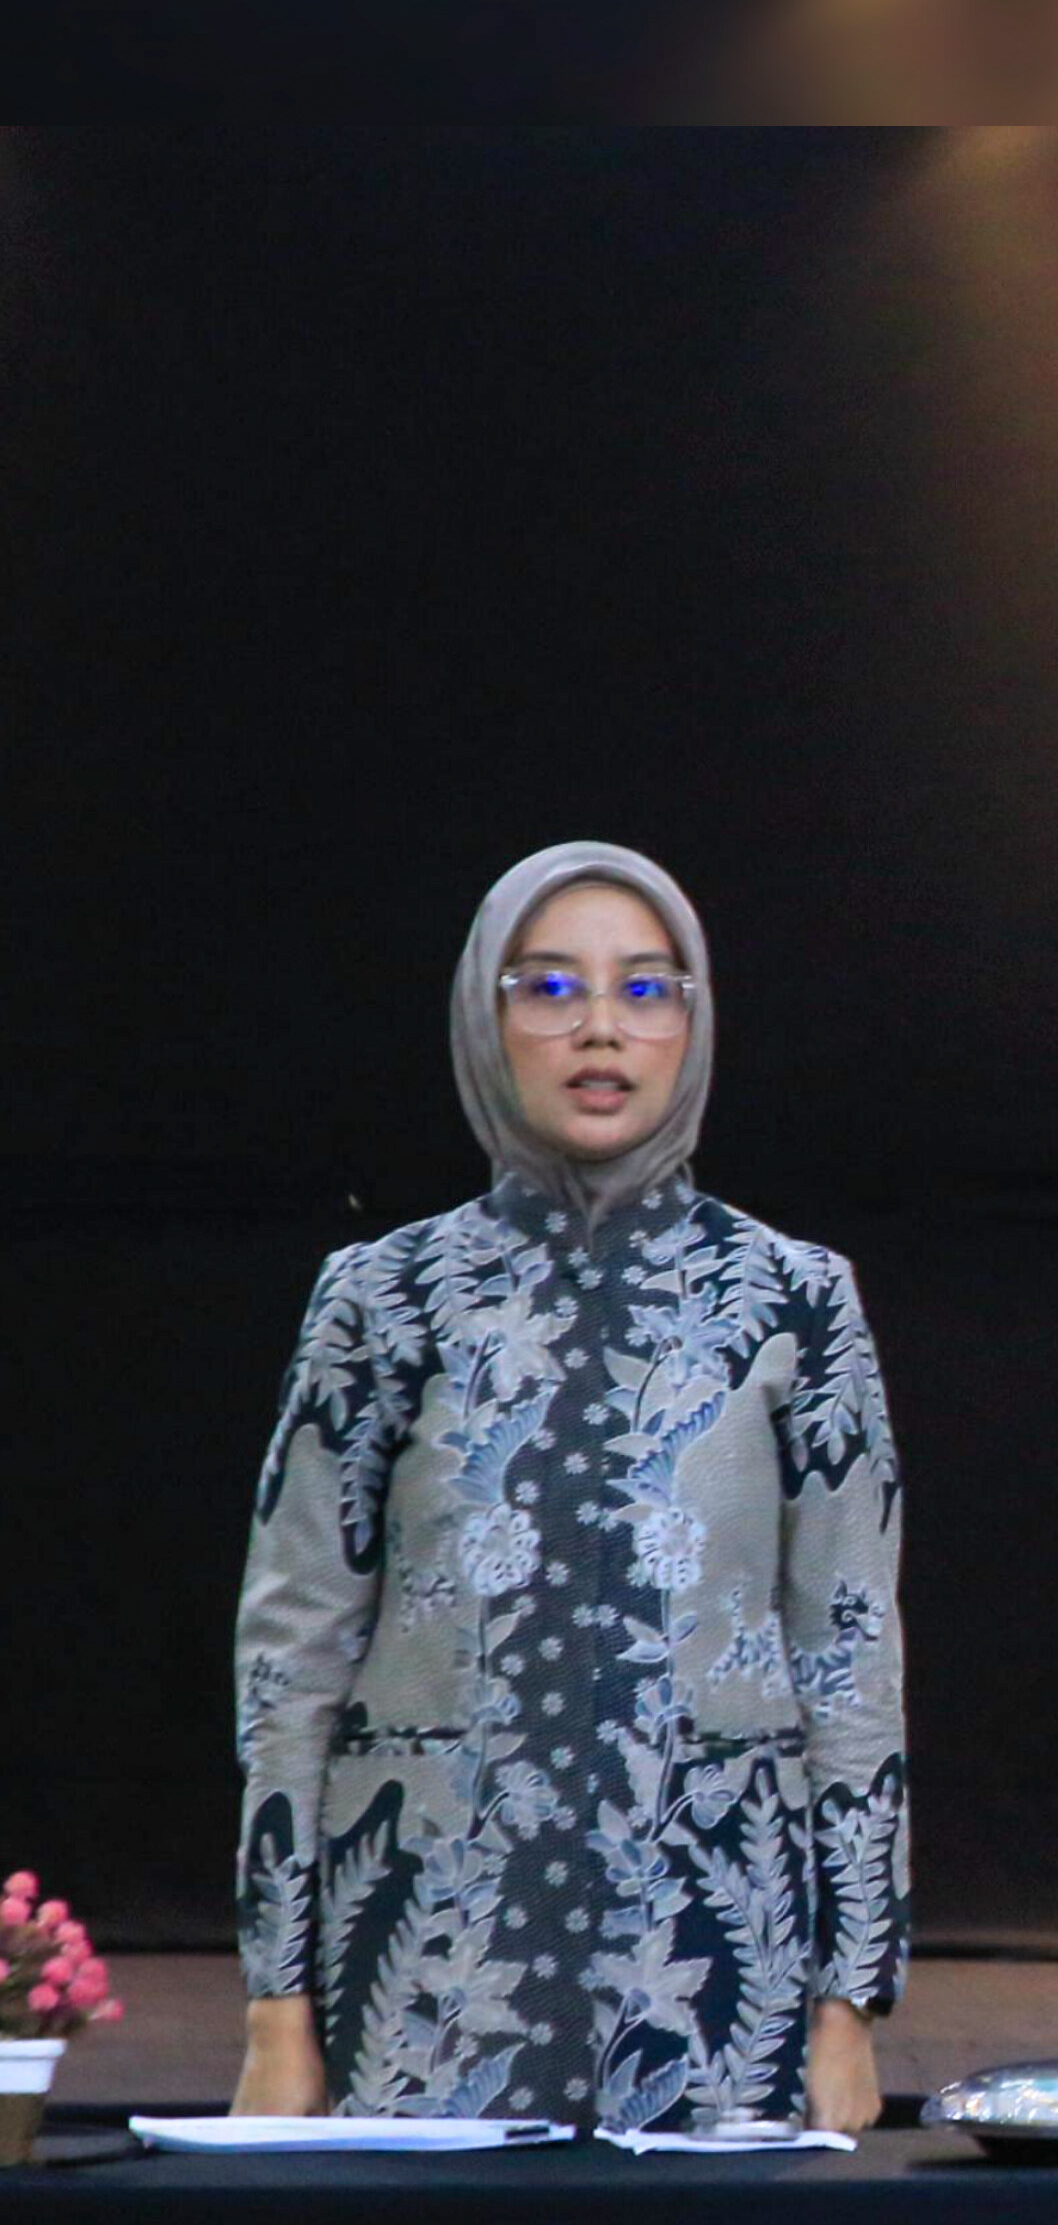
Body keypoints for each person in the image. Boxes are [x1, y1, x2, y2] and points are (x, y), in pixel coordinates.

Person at [232, 843, 907, 2130]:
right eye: (548, 988)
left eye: (649, 991)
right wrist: (275, 2009)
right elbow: (291, 1661)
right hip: (421, 1969)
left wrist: (846, 2004)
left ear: (695, 1024)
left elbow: (849, 1658)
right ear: (485, 1020)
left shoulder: (793, 1300)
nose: (601, 1027)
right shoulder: (383, 1298)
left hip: (722, 1970)